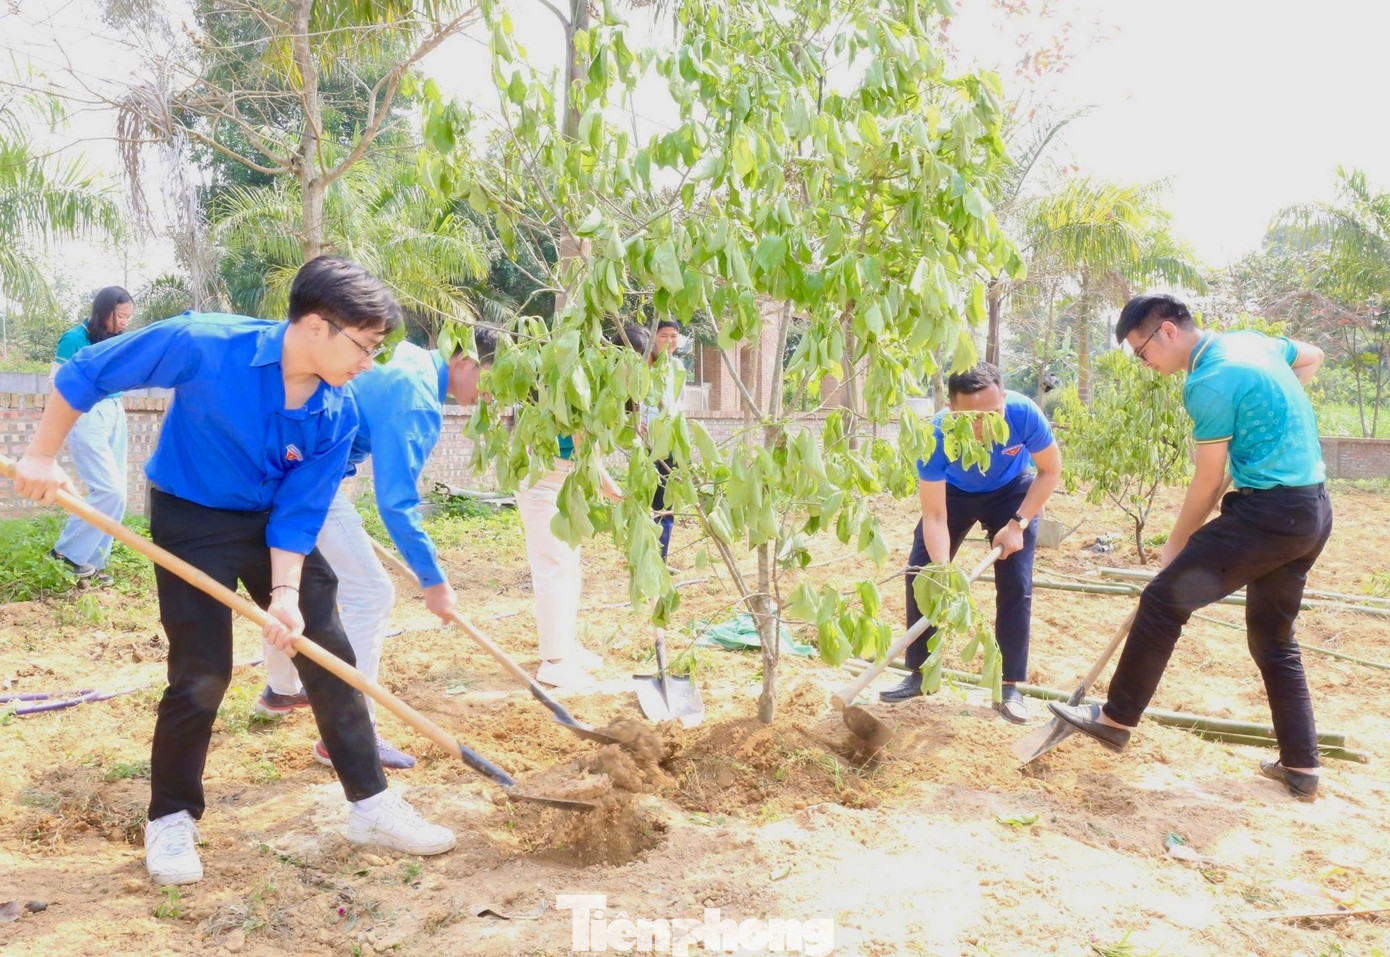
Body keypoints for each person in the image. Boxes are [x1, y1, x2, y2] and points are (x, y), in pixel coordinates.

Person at [9, 257, 456, 886]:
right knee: (203, 669)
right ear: (316, 326)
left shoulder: (338, 413)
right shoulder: (204, 342)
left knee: (328, 652)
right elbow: (87, 371)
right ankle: (170, 818)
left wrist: (285, 595)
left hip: (268, 519)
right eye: (365, 344)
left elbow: (299, 513)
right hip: (191, 518)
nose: (368, 362)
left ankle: (371, 805)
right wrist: (40, 454)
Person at [1049, 294, 1332, 802]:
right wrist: (1270, 423)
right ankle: (1302, 764)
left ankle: (1115, 720)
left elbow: (1206, 481)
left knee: (1162, 601)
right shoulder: (1251, 343)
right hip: (1312, 510)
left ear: (1167, 331)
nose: (1144, 363)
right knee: (1273, 640)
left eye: (1142, 352)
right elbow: (1312, 357)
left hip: (1269, 515)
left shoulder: (1207, 381)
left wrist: (1176, 544)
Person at [258, 327, 503, 771]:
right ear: (465, 360)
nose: (492, 398)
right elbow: (396, 503)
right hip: (306, 480)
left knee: (295, 585)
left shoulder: (406, 357)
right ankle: (349, 734)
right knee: (371, 594)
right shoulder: (417, 398)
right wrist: (434, 581)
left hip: (282, 467)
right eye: (493, 382)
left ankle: (283, 688)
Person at [879, 361, 1062, 724]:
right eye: (972, 418)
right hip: (954, 493)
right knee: (923, 574)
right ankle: (920, 674)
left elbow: (1050, 470)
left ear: (1004, 398)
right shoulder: (934, 436)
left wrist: (1018, 524)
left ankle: (1009, 686)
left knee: (1016, 582)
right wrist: (942, 570)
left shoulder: (1024, 414)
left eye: (993, 414)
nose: (985, 426)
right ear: (951, 410)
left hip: (1012, 492)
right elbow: (935, 516)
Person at [515, 350, 624, 689]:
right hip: (543, 482)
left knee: (569, 568)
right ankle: (553, 662)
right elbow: (588, 456)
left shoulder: (595, 392)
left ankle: (566, 646)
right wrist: (618, 496)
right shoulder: (574, 390)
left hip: (568, 482)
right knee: (552, 568)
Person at [47, 286, 134, 584]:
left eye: (128, 317)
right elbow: (55, 381)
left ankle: (92, 562)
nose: (124, 322)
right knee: (109, 491)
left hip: (115, 410)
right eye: (120, 316)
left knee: (119, 496)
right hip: (88, 413)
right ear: (104, 311)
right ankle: (65, 553)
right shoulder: (74, 338)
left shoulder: (114, 339)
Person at [643, 320, 682, 562]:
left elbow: (678, 404)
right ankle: (643, 557)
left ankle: (661, 559)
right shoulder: (643, 366)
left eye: (673, 335)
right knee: (646, 500)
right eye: (663, 335)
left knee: (666, 502)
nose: (669, 340)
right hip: (646, 444)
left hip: (670, 443)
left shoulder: (678, 367)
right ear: (653, 338)